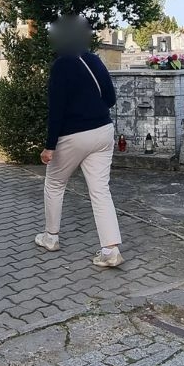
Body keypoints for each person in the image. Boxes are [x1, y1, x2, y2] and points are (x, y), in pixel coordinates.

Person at [35, 15, 123, 267]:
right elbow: (110, 98)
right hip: (103, 131)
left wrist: (50, 146)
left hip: (73, 135)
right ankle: (110, 250)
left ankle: (51, 237)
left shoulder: (61, 65)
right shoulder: (94, 60)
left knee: (54, 183)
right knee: (100, 190)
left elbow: (56, 110)